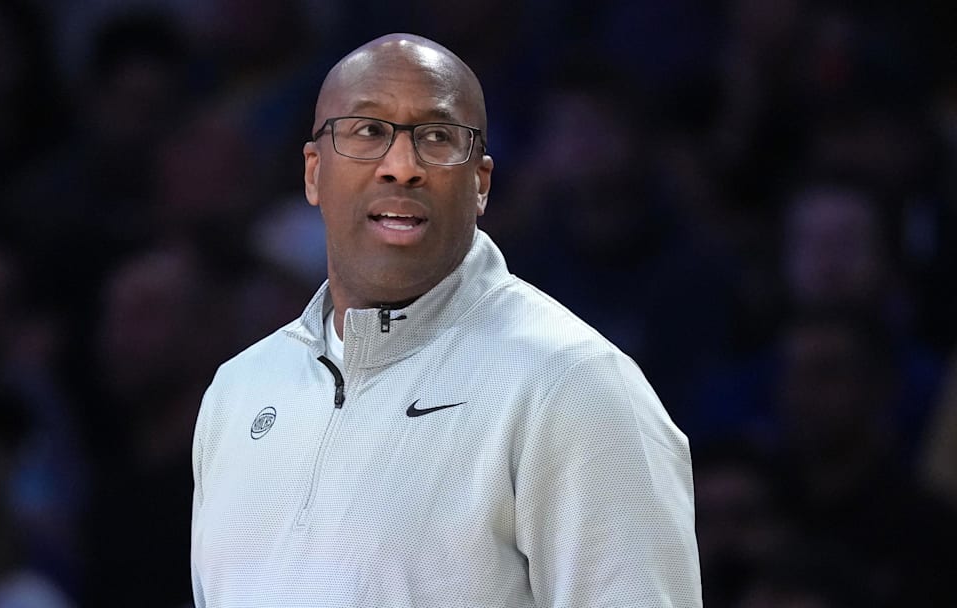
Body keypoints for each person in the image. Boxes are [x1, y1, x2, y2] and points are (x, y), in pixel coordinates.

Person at [190, 33, 701, 607]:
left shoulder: (573, 383)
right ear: (313, 173)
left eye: (436, 137)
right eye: (367, 132)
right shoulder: (237, 392)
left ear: (480, 183)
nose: (402, 167)